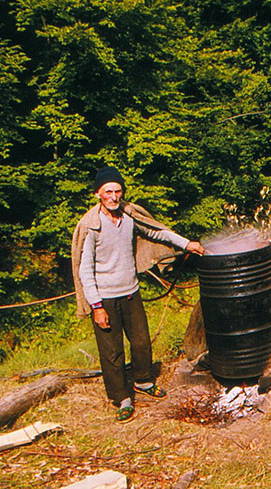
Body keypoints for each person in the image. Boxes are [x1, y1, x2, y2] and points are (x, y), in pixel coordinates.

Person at [71, 167, 204, 422]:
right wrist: (97, 307)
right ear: (98, 193)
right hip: (105, 299)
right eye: (108, 191)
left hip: (131, 292)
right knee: (112, 352)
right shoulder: (90, 226)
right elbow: (84, 270)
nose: (113, 196)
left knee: (142, 342)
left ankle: (143, 381)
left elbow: (158, 232)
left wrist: (186, 243)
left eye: (117, 190)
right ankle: (121, 398)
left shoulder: (130, 216)